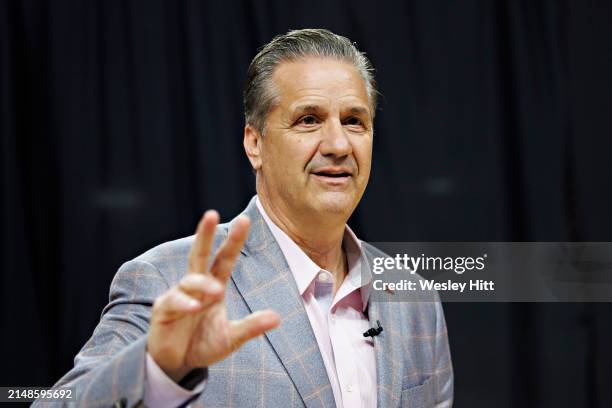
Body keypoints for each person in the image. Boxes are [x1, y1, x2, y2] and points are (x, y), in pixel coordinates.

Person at [37, 28, 453, 408]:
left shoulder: (415, 299)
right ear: (255, 143)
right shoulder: (166, 279)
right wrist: (159, 369)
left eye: (354, 121)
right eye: (308, 120)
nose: (338, 143)